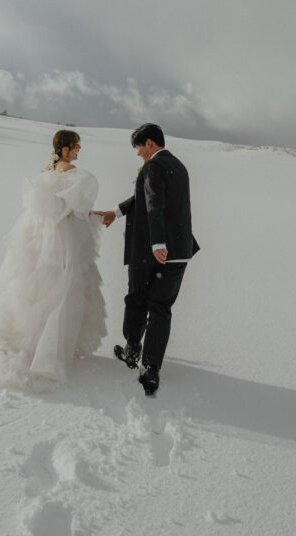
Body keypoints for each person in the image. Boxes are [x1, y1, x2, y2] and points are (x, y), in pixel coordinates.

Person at [0, 130, 106, 390]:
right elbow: (77, 204)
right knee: (63, 294)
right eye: (76, 146)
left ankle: (30, 339)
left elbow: (51, 209)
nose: (79, 150)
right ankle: (50, 351)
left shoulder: (46, 173)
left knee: (40, 290)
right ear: (65, 149)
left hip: (41, 242)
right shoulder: (74, 174)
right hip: (64, 244)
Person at [98, 122, 199, 396]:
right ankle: (151, 368)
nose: (139, 154)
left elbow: (153, 202)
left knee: (136, 299)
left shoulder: (152, 167)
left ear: (150, 143)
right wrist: (117, 212)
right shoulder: (178, 166)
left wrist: (157, 243)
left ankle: (132, 351)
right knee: (161, 309)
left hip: (152, 252)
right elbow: (144, 197)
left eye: (139, 148)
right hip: (180, 252)